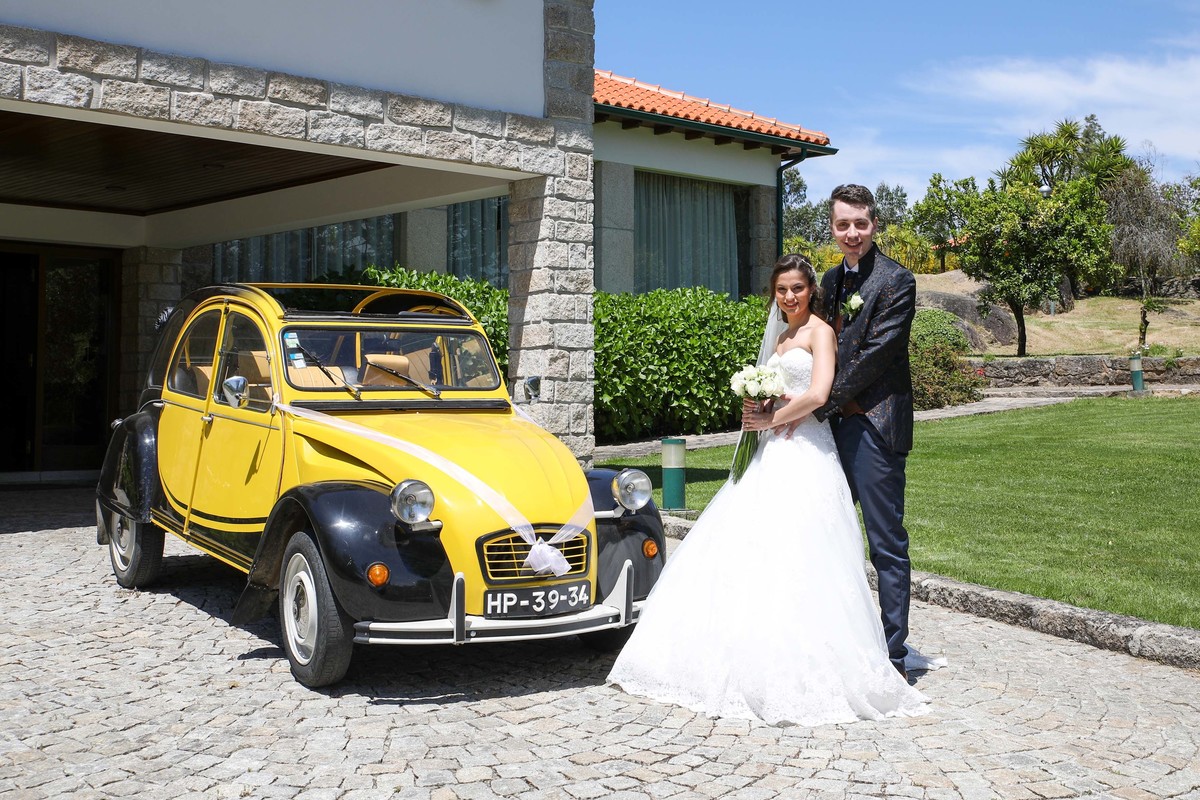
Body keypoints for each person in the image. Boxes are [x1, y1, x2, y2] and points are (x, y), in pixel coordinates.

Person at [606, 254, 927, 726]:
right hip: (773, 450)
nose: (790, 297)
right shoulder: (779, 338)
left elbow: (819, 393)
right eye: (782, 290)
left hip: (808, 449)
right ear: (773, 294)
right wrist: (759, 408)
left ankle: (831, 655)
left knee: (805, 546)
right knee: (755, 543)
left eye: (797, 288)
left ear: (811, 290)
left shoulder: (821, 331)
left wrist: (772, 418)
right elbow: (781, 392)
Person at [813, 184, 918, 678]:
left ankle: (893, 655)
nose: (852, 233)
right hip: (829, 429)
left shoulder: (898, 280)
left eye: (860, 224)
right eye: (843, 225)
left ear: (875, 225)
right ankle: (834, 644)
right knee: (825, 535)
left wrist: (819, 401)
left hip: (874, 424)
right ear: (832, 228)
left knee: (885, 543)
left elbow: (878, 353)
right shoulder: (830, 280)